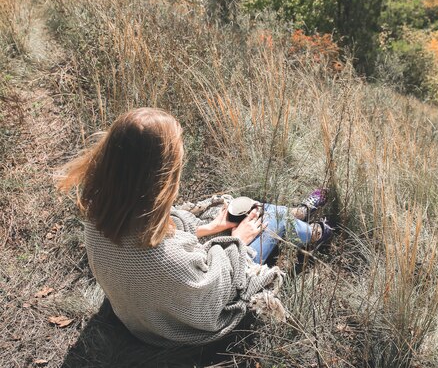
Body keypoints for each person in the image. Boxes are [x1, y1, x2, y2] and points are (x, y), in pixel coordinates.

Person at [56, 107, 331, 347]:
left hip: (138, 315)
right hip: (173, 331)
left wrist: (210, 227)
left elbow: (158, 235)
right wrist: (238, 241)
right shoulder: (170, 260)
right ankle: (315, 233)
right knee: (268, 220)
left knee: (247, 209)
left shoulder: (99, 216)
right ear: (159, 177)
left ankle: (297, 214)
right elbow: (215, 293)